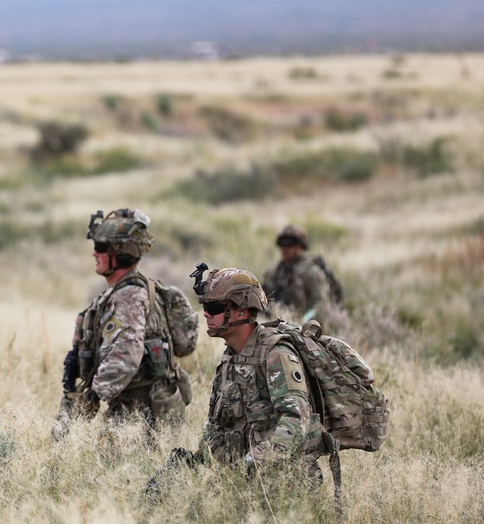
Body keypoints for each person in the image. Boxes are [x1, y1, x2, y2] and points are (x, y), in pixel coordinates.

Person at [157, 267, 329, 487]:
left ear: (242, 311)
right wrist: (201, 461)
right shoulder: (231, 357)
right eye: (205, 307)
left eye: (214, 307)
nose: (206, 314)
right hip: (239, 482)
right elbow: (217, 424)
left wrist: (252, 464)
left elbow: (295, 421)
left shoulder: (276, 354)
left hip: (279, 484)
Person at [55, 208, 193, 438]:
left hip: (142, 418)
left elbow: (126, 354)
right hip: (140, 411)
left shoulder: (129, 297)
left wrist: (92, 397)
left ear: (120, 253)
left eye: (100, 248)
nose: (94, 254)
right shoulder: (122, 292)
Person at [262, 224, 335, 323]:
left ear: (301, 245)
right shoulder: (273, 272)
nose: (285, 248)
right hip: (276, 325)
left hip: (304, 328)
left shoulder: (311, 271)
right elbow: (263, 300)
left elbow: (321, 305)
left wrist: (304, 321)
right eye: (281, 244)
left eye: (290, 244)